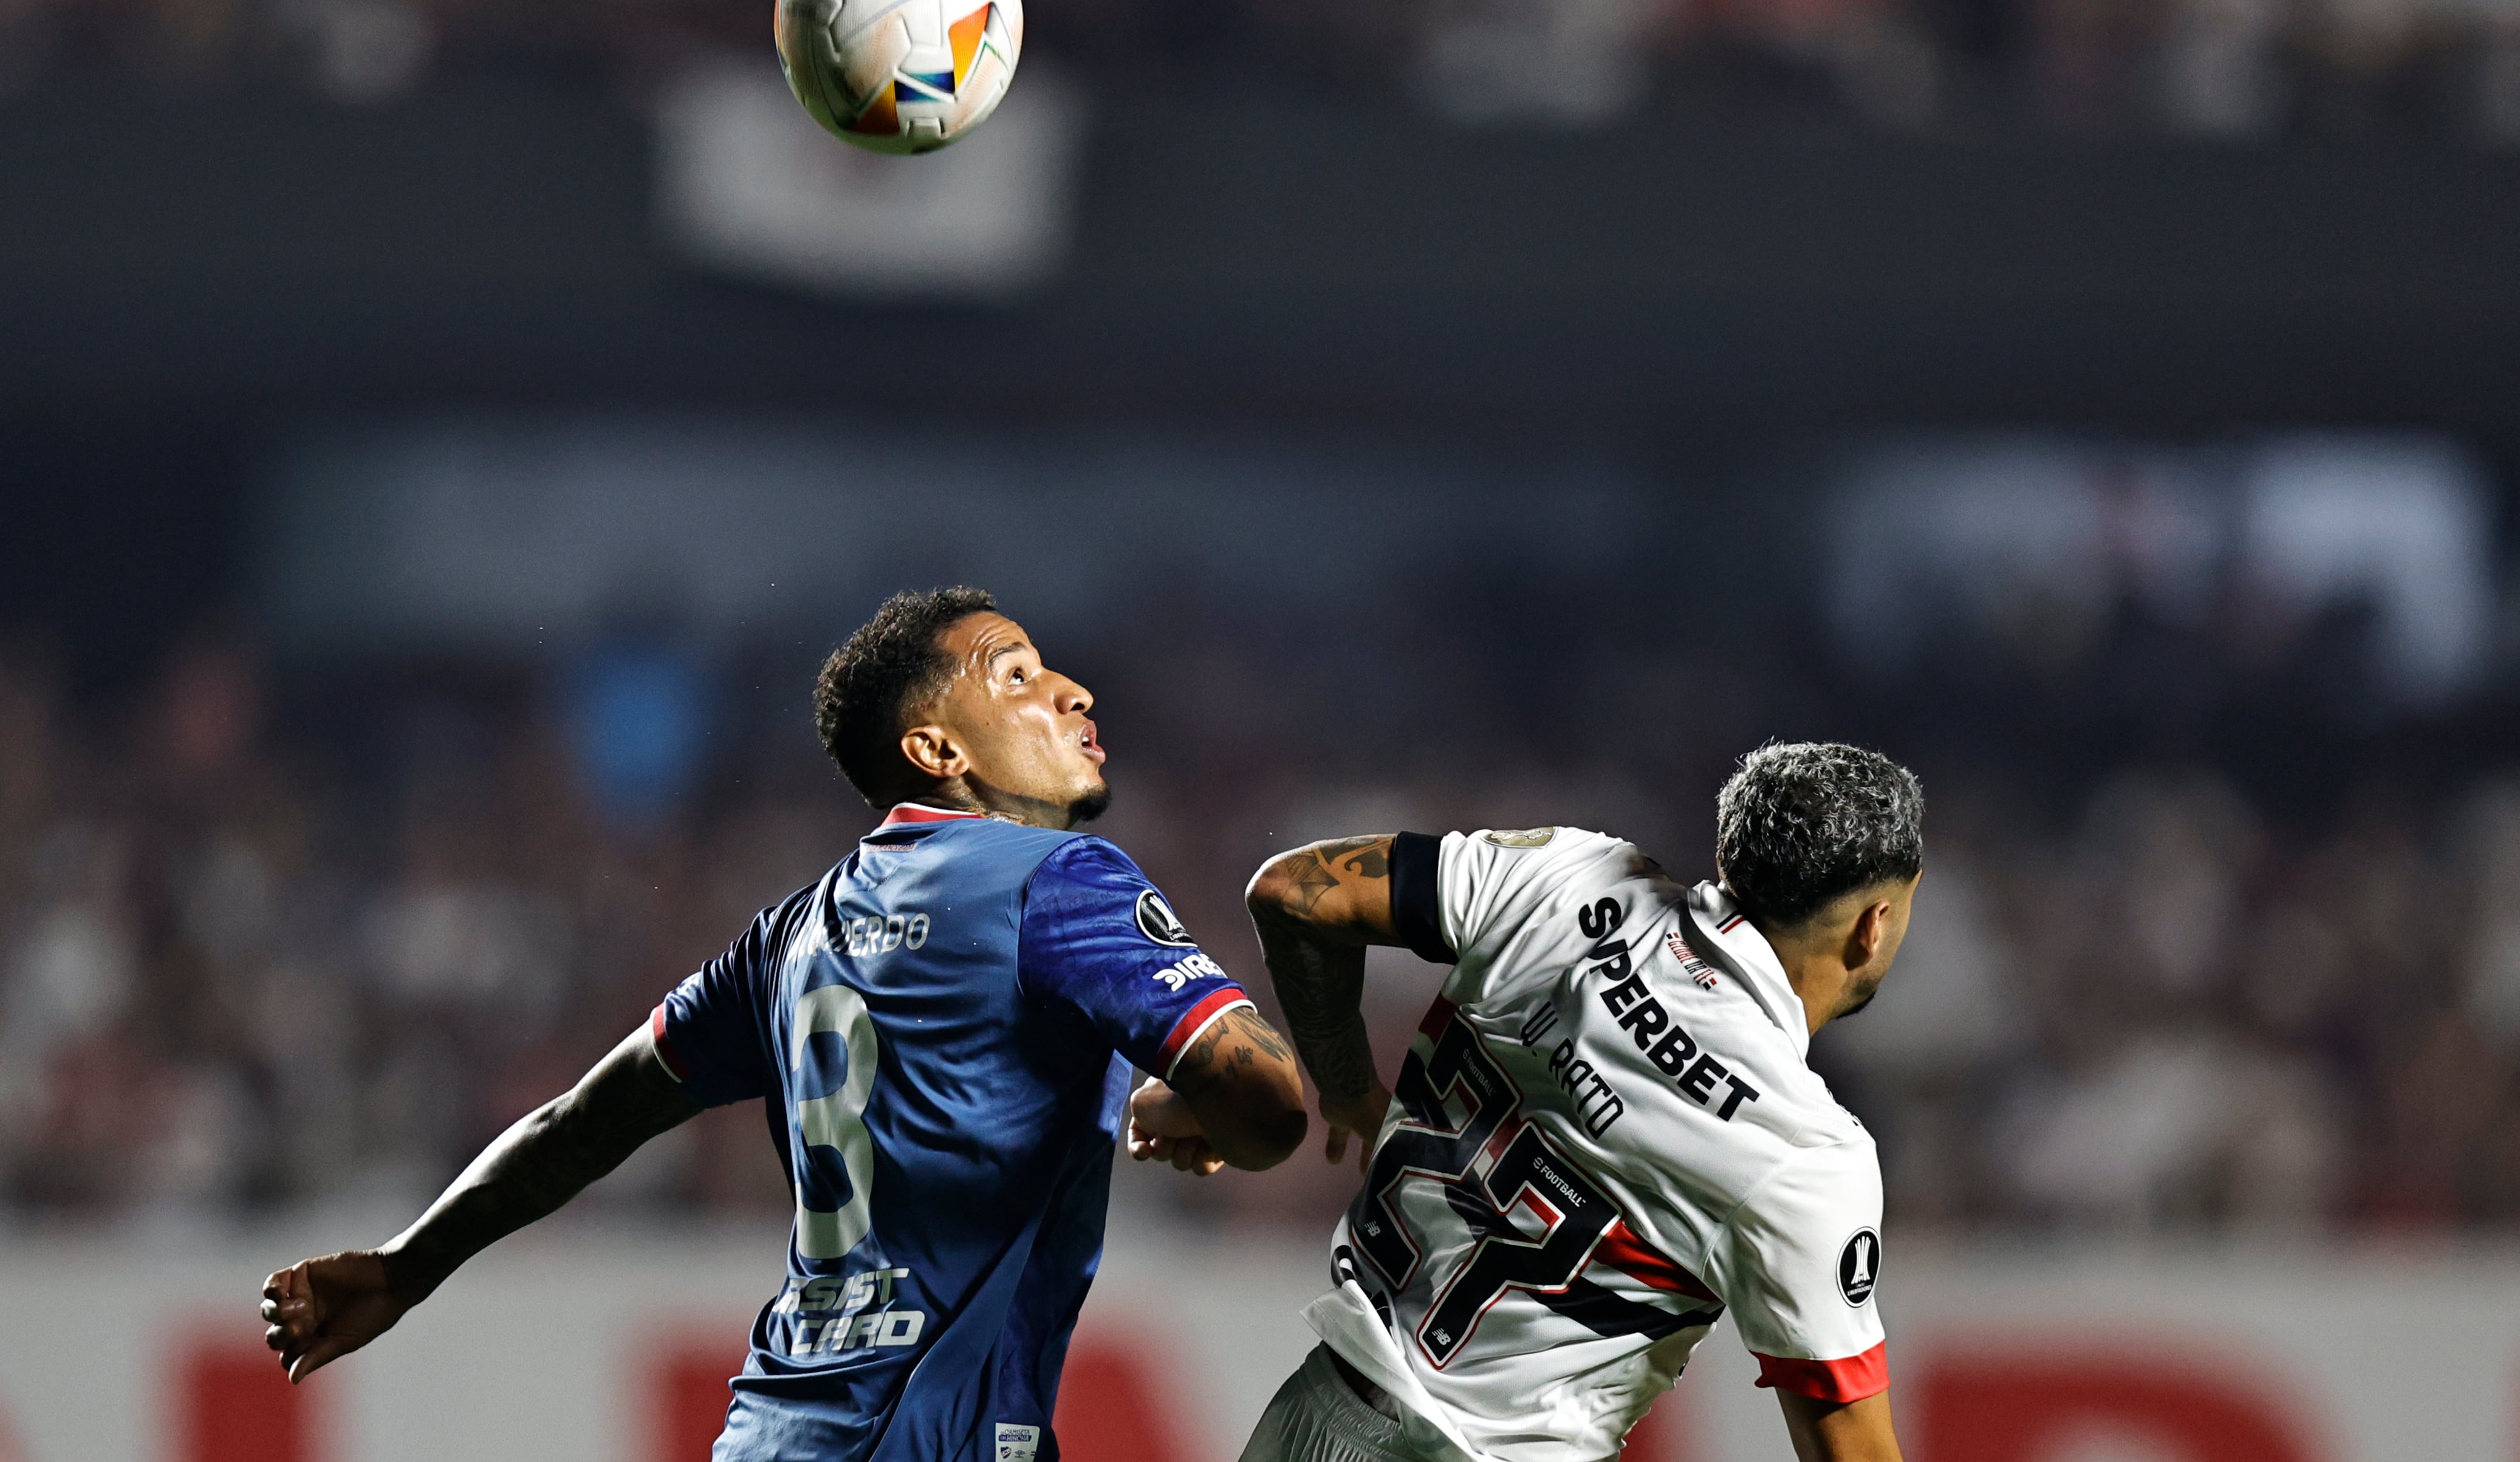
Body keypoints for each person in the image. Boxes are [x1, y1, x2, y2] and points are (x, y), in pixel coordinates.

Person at [261, 586, 1307, 1461]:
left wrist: (406, 1267)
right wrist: (1214, 1106)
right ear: (934, 745)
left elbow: (578, 1127)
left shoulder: (789, 933)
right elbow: (1273, 1105)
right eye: (1016, 676)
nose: (1070, 691)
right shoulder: (1061, 882)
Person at [1222, 742, 1920, 1462]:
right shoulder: (1804, 1152)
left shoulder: (1567, 876)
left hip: (1315, 1419)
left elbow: (1294, 889)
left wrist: (1345, 1086)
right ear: (1873, 924)